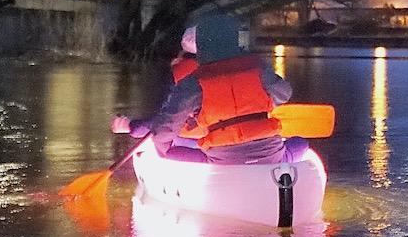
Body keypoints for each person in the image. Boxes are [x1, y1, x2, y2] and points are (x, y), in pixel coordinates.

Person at [112, 11, 304, 164]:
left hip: (221, 160)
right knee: (301, 143)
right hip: (271, 156)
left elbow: (165, 127)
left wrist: (163, 151)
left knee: (170, 153)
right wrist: (259, 102)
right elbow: (284, 93)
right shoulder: (257, 68)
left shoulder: (193, 82)